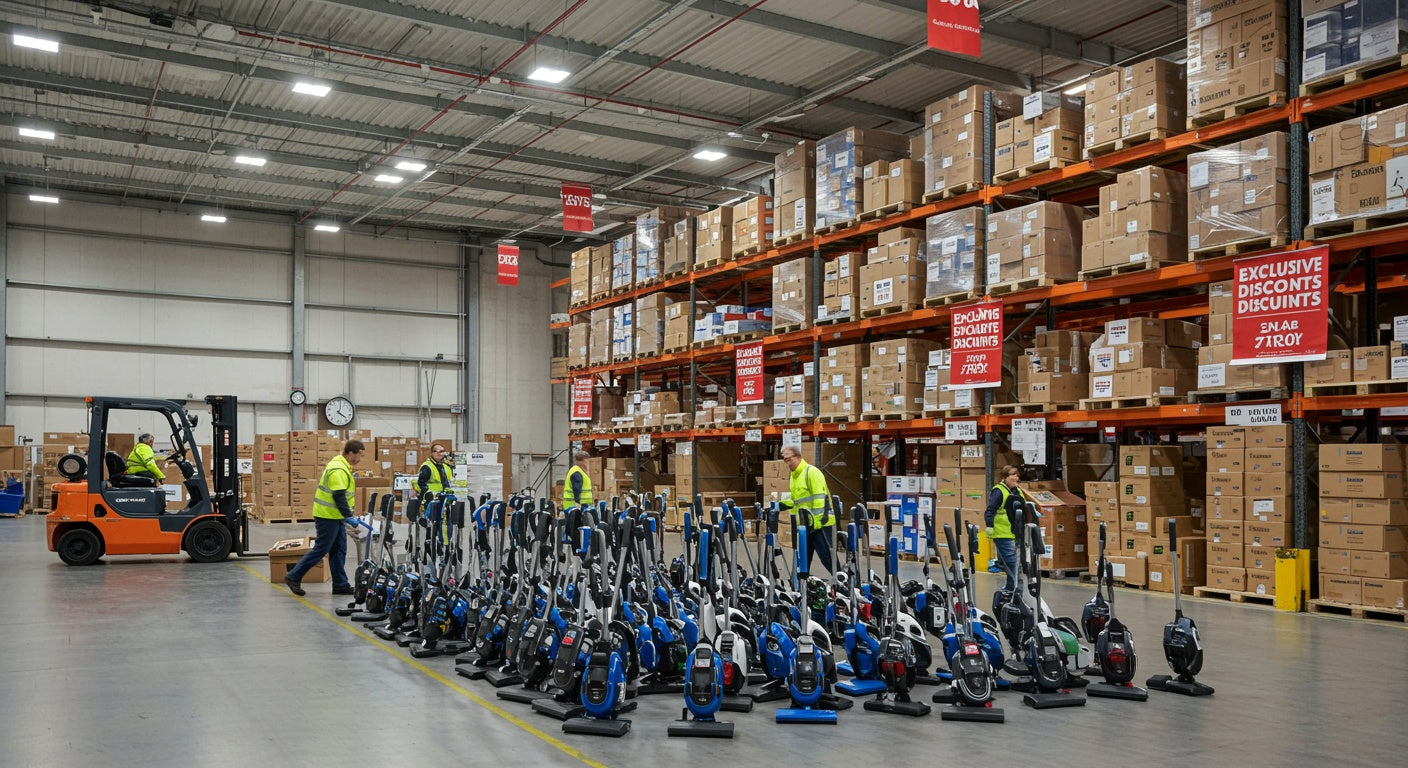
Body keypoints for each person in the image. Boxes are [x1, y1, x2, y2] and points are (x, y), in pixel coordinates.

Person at [284, 440, 363, 597]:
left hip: (336, 516)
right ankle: (293, 576)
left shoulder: (343, 466)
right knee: (322, 548)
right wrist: (349, 516)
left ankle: (340, 585)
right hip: (327, 516)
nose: (360, 459)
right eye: (359, 455)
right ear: (351, 453)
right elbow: (339, 496)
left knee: (339, 550)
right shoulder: (338, 468)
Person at [779, 444, 834, 574]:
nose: (787, 463)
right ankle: (801, 586)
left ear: (797, 456)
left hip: (820, 525)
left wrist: (817, 523)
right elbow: (798, 501)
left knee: (827, 558)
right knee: (803, 559)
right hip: (805, 526)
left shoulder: (812, 472)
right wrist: (784, 504)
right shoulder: (794, 476)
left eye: (789, 459)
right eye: (784, 460)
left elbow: (820, 499)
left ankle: (846, 585)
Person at [985, 464, 1030, 590]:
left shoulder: (1017, 490)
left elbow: (1023, 506)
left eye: (1017, 475)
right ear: (1005, 477)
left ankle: (1011, 587)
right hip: (1002, 533)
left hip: (1017, 532)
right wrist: (989, 525)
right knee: (1011, 561)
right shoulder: (999, 491)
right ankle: (1017, 587)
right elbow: (990, 510)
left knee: (1019, 561)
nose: (1016, 478)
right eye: (1012, 475)